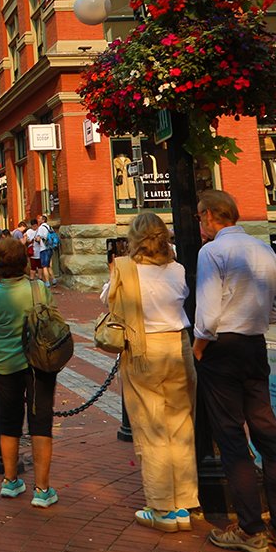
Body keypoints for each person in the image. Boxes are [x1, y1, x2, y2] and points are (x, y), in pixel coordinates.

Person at [192, 188, 276, 552]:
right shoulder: (263, 249)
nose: (200, 223)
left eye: (200, 216)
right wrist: (254, 318)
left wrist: (200, 346)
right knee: (267, 432)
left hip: (222, 349)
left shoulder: (212, 252)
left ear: (209, 216)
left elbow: (206, 315)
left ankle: (251, 528)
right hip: (255, 346)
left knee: (232, 438)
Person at [103, 211, 198, 534]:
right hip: (178, 346)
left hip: (144, 350)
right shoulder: (179, 269)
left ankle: (161, 507)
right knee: (181, 425)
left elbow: (109, 302)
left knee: (152, 427)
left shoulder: (125, 270)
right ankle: (184, 503)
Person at [0, 234, 60, 508]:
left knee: (9, 423)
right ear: (24, 261)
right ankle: (42, 488)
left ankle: (10, 480)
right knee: (41, 423)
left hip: (6, 364)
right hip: (40, 364)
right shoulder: (39, 289)